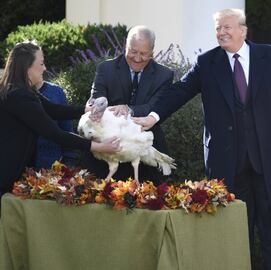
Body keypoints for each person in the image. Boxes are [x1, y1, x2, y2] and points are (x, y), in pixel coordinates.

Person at [136, 9, 271, 270]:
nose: (221, 32)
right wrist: (153, 116)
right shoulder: (207, 63)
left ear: (243, 30)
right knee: (235, 230)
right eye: (218, 28)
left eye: (227, 27)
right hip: (228, 162)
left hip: (269, 158)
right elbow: (180, 90)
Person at [0, 41, 120, 209]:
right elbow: (55, 134)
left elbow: (54, 110)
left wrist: (88, 109)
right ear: (27, 67)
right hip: (5, 174)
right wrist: (99, 146)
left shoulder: (21, 90)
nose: (44, 68)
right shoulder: (19, 97)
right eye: (41, 64)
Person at [83, 25, 174, 183]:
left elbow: (155, 106)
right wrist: (97, 108)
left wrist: (129, 109)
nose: (137, 58)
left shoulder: (164, 75)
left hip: (145, 151)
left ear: (152, 52)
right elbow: (96, 98)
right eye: (133, 51)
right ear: (125, 45)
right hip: (107, 151)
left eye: (143, 54)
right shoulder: (106, 68)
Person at [35, 80, 78, 169]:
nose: (44, 68)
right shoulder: (10, 93)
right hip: (19, 165)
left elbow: (66, 127)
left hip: (52, 164)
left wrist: (69, 158)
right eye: (41, 64)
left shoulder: (56, 92)